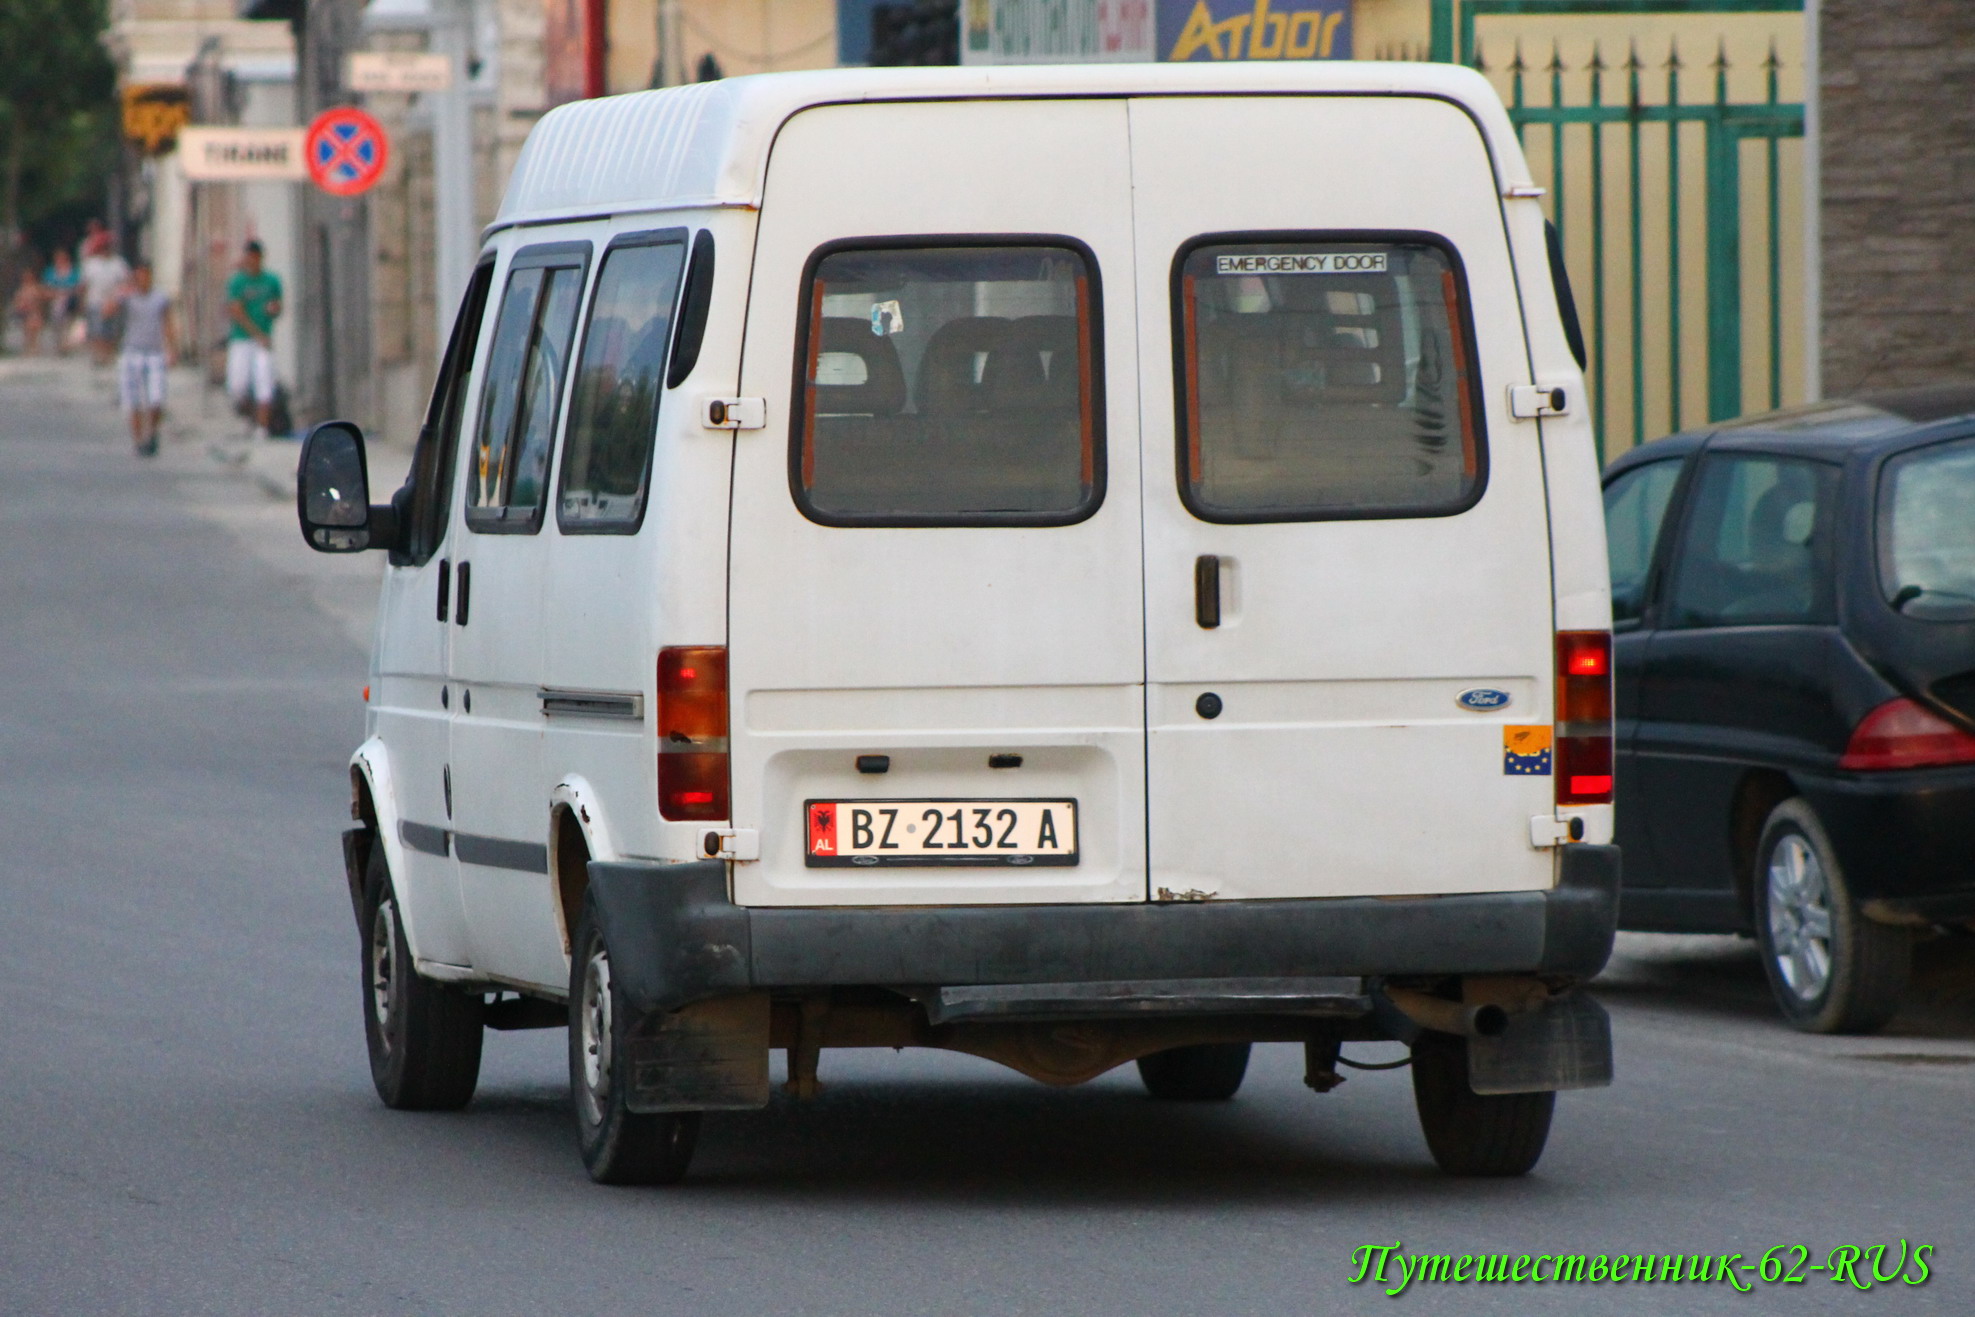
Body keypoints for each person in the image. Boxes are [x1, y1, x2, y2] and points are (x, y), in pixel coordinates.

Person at [113, 262, 177, 457]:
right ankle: (139, 440)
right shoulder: (128, 297)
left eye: (145, 275)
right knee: (132, 400)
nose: (143, 279)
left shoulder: (160, 298)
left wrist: (171, 348)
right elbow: (108, 311)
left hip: (154, 352)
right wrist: (121, 294)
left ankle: (153, 433)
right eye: (139, 275)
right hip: (131, 351)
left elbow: (167, 323)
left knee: (156, 398)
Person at [225, 240, 283, 438]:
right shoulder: (238, 282)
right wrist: (257, 334)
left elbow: (278, 306)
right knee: (238, 385)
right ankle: (248, 417)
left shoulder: (271, 281)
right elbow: (236, 311)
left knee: (264, 382)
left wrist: (274, 310)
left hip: (264, 340)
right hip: (242, 339)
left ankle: (262, 427)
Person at [79, 231, 132, 367]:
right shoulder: (91, 264)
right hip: (95, 302)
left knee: (111, 332)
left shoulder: (119, 263)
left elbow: (126, 284)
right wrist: (82, 303)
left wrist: (116, 301)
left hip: (113, 303)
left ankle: (109, 356)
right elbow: (84, 285)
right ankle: (98, 356)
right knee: (96, 331)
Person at [43, 248, 80, 354]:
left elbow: (78, 286)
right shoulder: (50, 272)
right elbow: (46, 287)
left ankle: (66, 345)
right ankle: (59, 344)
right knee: (57, 321)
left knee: (68, 323)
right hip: (55, 298)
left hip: (70, 299)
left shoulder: (73, 271)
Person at [9, 261, 48, 353]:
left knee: (35, 326)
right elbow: (17, 301)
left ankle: (34, 346)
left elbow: (43, 297)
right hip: (25, 312)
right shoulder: (22, 289)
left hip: (35, 311)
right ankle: (28, 346)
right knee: (27, 328)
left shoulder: (37, 288)